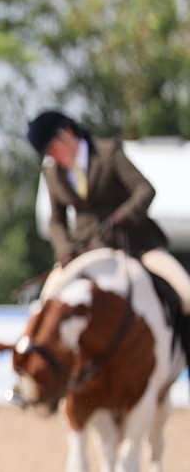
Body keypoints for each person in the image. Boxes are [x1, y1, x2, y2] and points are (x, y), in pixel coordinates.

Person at [27, 109, 190, 352]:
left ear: (67, 134)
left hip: (135, 244)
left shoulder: (108, 152)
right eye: (47, 153)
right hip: (86, 248)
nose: (52, 157)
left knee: (185, 292)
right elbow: (56, 220)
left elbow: (144, 190)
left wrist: (125, 215)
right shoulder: (52, 173)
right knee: (47, 300)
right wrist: (65, 249)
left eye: (52, 148)